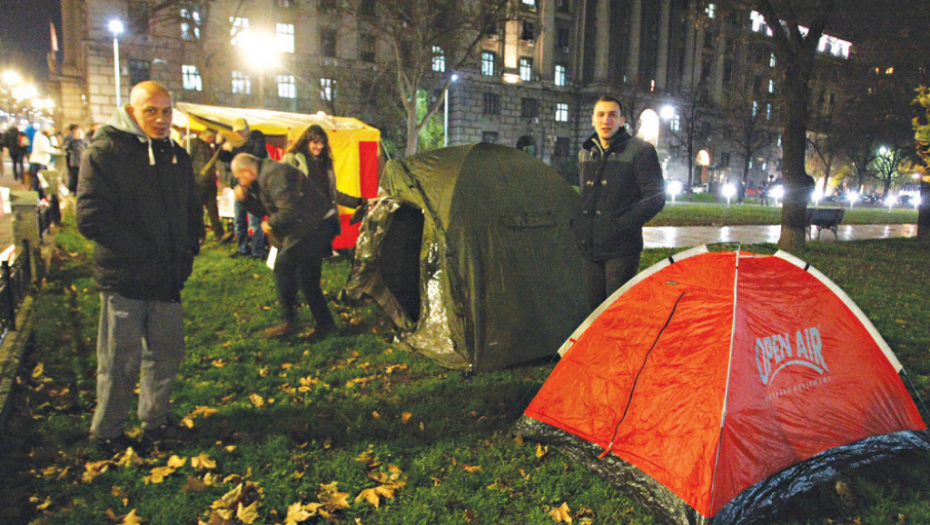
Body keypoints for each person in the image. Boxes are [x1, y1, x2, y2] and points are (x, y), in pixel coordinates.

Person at [76, 80, 204, 454]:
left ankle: (155, 422)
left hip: (167, 277)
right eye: (151, 111)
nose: (161, 119)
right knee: (119, 362)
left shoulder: (175, 155)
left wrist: (188, 250)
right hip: (126, 278)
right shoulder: (104, 153)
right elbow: (91, 218)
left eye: (166, 111)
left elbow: (191, 208)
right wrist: (145, 252)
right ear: (132, 112)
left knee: (166, 356)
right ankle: (107, 433)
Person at [572, 95, 665, 310]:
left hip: (621, 250)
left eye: (613, 115)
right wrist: (578, 225)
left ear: (622, 121)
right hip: (590, 247)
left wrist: (619, 227)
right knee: (593, 313)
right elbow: (586, 195)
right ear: (593, 120)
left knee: (616, 313)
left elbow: (656, 197)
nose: (606, 121)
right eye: (601, 115)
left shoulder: (640, 151)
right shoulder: (586, 152)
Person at [230, 153, 337, 339]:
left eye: (239, 177)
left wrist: (270, 223)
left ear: (247, 171)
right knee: (307, 278)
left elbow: (289, 211)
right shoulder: (265, 175)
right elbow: (266, 209)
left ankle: (290, 323)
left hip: (316, 225)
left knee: (284, 266)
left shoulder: (274, 175)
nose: (240, 181)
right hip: (314, 224)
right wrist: (246, 200)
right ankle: (325, 325)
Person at [280, 124, 367, 243]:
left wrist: (358, 201)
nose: (320, 146)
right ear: (307, 141)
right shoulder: (292, 158)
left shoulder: (326, 163)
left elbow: (332, 194)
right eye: (315, 142)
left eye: (322, 143)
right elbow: (279, 186)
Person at [216, 117, 267, 259]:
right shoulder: (235, 142)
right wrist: (219, 144)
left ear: (247, 128)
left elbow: (256, 155)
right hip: (239, 185)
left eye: (242, 131)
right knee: (239, 220)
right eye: (237, 131)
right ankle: (243, 248)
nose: (240, 134)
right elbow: (224, 158)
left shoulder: (256, 137)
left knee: (255, 222)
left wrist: (233, 148)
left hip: (254, 187)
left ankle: (258, 252)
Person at [189, 128, 231, 243]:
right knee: (199, 210)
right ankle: (200, 235)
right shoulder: (193, 144)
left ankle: (218, 233)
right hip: (198, 181)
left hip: (208, 181)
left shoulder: (203, 145)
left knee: (212, 208)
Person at [28, 127, 62, 198]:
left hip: (40, 161)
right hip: (39, 161)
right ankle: (38, 194)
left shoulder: (40, 136)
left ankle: (39, 193)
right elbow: (44, 149)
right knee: (39, 178)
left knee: (38, 178)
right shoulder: (41, 138)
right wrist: (55, 150)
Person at [62, 124, 88, 194]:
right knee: (74, 177)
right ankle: (73, 190)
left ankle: (78, 190)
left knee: (80, 177)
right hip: (74, 162)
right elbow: (67, 148)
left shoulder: (84, 141)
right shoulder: (72, 141)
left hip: (81, 161)